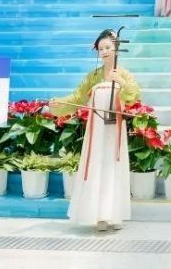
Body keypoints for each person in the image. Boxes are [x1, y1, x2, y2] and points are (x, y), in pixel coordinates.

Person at [51, 29, 141, 233]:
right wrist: (59, 104)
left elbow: (134, 95)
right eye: (101, 49)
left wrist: (122, 83)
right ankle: (99, 216)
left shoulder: (124, 74)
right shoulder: (93, 76)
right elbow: (77, 97)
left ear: (116, 48)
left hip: (115, 130)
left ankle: (114, 214)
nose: (105, 51)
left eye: (108, 47)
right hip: (97, 130)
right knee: (97, 166)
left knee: (113, 167)